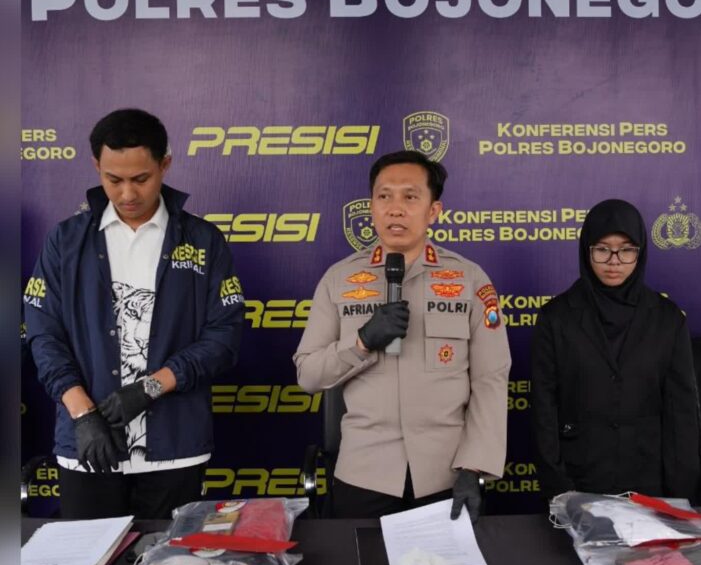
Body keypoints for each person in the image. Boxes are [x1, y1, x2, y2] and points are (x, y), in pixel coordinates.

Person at [24, 108, 245, 519]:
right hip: (86, 449)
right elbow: (43, 335)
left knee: (168, 560)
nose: (127, 194)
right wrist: (83, 414)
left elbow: (224, 337)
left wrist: (150, 388)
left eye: (141, 179)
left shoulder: (203, 240)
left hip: (175, 449)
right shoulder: (65, 241)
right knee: (89, 561)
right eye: (114, 179)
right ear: (96, 166)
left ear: (165, 164)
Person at [294, 150, 510, 520]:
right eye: (384, 196)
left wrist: (475, 466)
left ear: (433, 211)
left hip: (446, 475)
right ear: (372, 207)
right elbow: (309, 376)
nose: (395, 209)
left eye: (410, 197)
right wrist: (361, 342)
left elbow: (490, 379)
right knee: (359, 561)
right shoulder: (338, 279)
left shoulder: (470, 279)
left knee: (445, 563)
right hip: (363, 475)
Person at [530, 199, 701, 498]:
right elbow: (544, 408)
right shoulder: (556, 318)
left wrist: (679, 494)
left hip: (650, 484)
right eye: (602, 249)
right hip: (578, 482)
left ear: (640, 252)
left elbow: (681, 413)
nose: (614, 261)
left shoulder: (667, 319)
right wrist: (560, 489)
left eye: (626, 250)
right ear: (586, 251)